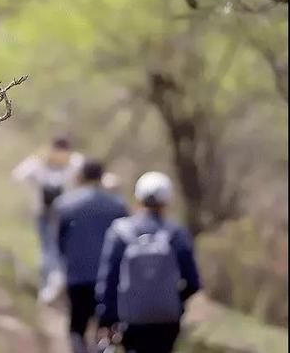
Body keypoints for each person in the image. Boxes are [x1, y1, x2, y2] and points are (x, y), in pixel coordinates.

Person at [96, 171, 201, 353]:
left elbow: (108, 279)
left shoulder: (119, 232)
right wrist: (175, 302)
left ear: (137, 198)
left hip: (130, 319)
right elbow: (193, 283)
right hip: (167, 320)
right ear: (167, 200)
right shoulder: (177, 234)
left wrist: (106, 318)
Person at [54, 159, 129, 353]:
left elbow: (59, 243)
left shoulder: (64, 205)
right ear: (102, 177)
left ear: (81, 176)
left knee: (77, 327)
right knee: (106, 329)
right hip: (110, 279)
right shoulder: (117, 206)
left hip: (77, 276)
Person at [11, 135, 84, 301]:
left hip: (66, 216)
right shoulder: (39, 164)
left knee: (62, 250)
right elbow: (18, 176)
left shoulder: (74, 164)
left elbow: (85, 171)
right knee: (47, 249)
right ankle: (49, 285)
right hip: (44, 213)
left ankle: (59, 283)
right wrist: (38, 161)